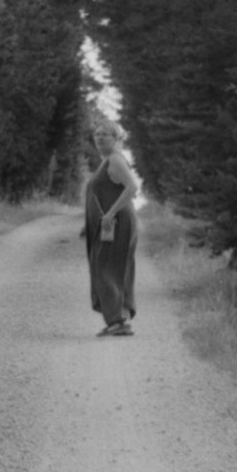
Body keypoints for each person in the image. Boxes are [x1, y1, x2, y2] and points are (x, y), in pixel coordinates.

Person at [84, 123, 140, 337]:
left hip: (117, 221)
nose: (99, 138)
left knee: (105, 266)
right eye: (96, 134)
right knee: (116, 266)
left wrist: (110, 213)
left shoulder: (115, 159)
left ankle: (117, 321)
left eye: (105, 135)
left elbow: (132, 187)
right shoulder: (108, 159)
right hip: (114, 221)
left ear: (115, 138)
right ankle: (120, 318)